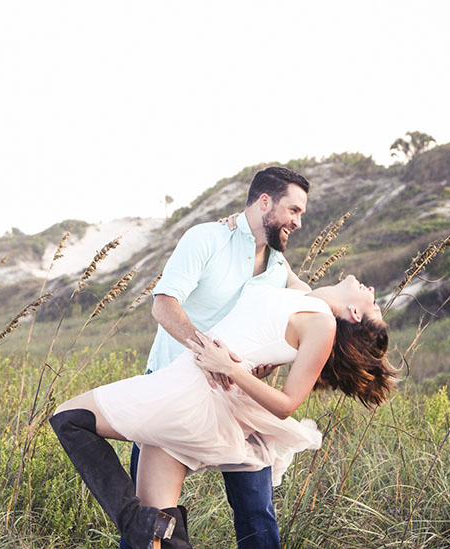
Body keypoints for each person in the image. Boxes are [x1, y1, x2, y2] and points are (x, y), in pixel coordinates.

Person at [50, 275, 395, 548]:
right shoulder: (303, 295)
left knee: (69, 418)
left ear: (353, 313)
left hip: (190, 393)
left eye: (374, 303)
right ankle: (142, 522)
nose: (372, 289)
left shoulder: (324, 325)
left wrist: (231, 369)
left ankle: (131, 519)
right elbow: (273, 251)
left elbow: (288, 405)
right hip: (189, 391)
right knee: (159, 532)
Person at [136, 166, 311, 548]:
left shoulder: (279, 266)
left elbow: (311, 304)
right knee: (149, 521)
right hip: (171, 389)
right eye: (293, 210)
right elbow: (164, 306)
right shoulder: (205, 238)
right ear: (265, 201)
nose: (298, 222)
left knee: (257, 511)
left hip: (235, 402)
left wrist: (268, 363)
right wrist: (210, 354)